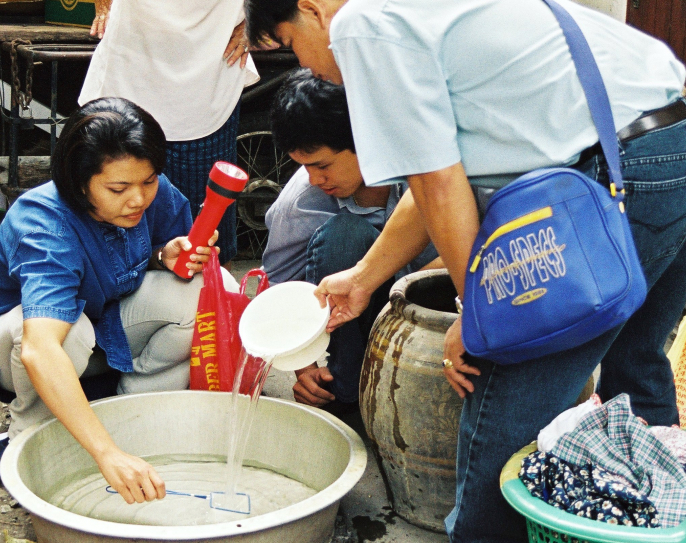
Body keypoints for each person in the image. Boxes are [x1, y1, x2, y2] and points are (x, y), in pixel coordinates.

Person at [244, 0, 686, 541]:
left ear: (312, 10)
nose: (305, 66)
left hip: (618, 175)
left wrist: (478, 315)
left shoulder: (363, 22)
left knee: (501, 396)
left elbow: (436, 183)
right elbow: (434, 175)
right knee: (633, 373)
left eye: (290, 44)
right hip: (671, 150)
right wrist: (362, 278)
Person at [0, 97, 239, 504]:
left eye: (148, 181)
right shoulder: (44, 222)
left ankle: (130, 413)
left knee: (208, 293)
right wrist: (105, 455)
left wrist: (164, 255)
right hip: (25, 346)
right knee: (66, 330)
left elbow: (162, 251)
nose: (139, 199)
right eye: (119, 188)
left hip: (109, 324)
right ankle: (27, 433)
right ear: (79, 181)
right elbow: (40, 349)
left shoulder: (150, 190)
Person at [263, 69, 440, 413]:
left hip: (427, 306)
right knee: (346, 236)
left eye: (322, 165)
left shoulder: (424, 173)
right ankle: (347, 390)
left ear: (365, 143)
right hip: (353, 314)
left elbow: (470, 249)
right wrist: (304, 366)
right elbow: (277, 288)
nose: (314, 180)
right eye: (303, 167)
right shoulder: (301, 201)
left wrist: (404, 297)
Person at [79, 0, 261, 266]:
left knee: (206, 246)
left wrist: (258, 21)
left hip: (208, 70)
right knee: (105, 234)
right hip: (132, 58)